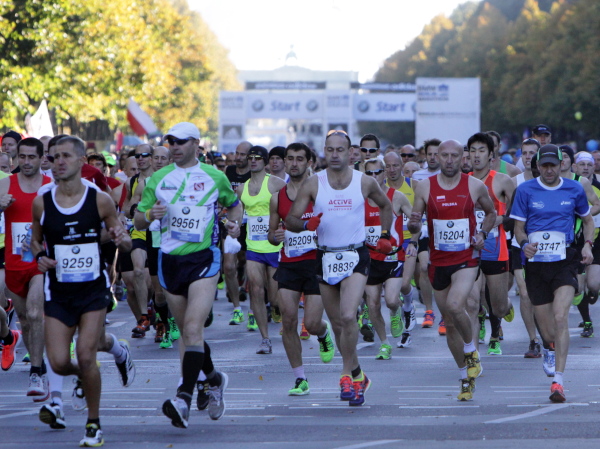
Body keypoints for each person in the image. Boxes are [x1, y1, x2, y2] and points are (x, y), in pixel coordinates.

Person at [135, 122, 240, 428]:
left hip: (204, 260)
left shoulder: (215, 176)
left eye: (181, 142)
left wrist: (234, 225)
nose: (175, 147)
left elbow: (234, 206)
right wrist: (149, 215)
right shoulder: (158, 178)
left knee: (193, 328)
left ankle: (183, 398)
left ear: (196, 143)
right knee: (188, 334)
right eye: (171, 142)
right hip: (170, 262)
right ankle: (214, 380)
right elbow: (139, 221)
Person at [30, 135, 134, 446]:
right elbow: (35, 241)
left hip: (92, 290)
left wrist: (121, 238)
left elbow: (124, 239)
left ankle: (93, 424)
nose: (58, 162)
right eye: (54, 157)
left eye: (65, 156)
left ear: (80, 161)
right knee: (59, 362)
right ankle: (88, 377)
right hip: (59, 291)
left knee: (87, 354)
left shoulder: (99, 199)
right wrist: (40, 256)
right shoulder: (42, 201)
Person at [286, 129, 394, 407]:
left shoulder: (364, 181)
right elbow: (291, 220)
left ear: (350, 153)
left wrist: (384, 235)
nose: (335, 155)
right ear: (324, 151)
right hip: (325, 257)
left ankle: (346, 375)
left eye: (340, 150)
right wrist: (306, 224)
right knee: (337, 324)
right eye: (330, 150)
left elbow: (386, 206)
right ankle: (358, 374)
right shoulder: (313, 183)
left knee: (348, 315)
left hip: (355, 254)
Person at [408, 140, 496, 401]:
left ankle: (471, 351)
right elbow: (414, 226)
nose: (448, 160)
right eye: (443, 155)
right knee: (450, 323)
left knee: (457, 305)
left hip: (466, 257)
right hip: (438, 261)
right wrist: (414, 225)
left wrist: (482, 234)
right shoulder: (425, 187)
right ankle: (465, 377)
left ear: (462, 158)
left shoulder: (474, 186)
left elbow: (491, 213)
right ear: (436, 157)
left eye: (453, 155)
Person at [511, 144, 593, 403]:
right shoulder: (525, 190)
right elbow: (518, 228)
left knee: (560, 317)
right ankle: (548, 346)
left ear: (561, 165)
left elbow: (588, 220)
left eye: (553, 165)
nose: (549, 170)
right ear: (538, 166)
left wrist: (587, 245)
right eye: (544, 165)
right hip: (536, 263)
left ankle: (558, 381)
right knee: (548, 332)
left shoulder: (574, 189)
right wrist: (524, 244)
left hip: (565, 260)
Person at [268, 142, 335, 395]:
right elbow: (271, 236)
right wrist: (276, 236)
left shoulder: (322, 193)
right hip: (289, 264)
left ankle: (323, 333)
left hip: (316, 263)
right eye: (290, 158)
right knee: (288, 320)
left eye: (299, 159)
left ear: (310, 163)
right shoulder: (277, 198)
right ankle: (300, 379)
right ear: (285, 162)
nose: (294, 163)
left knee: (312, 323)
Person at [0, 137, 52, 400]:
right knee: (24, 318)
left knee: (34, 312)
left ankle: (36, 372)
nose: (27, 162)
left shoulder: (50, 186)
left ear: (42, 158)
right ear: (16, 158)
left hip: (39, 261)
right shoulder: (5, 184)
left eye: (32, 157)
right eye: (23, 157)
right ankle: (38, 364)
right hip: (14, 262)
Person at [467, 132, 515, 356]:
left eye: (481, 151)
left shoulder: (502, 180)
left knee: (498, 306)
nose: (476, 155)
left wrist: (501, 219)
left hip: (496, 249)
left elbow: (518, 212)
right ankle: (474, 357)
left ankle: (506, 307)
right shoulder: (463, 181)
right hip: (470, 250)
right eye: (473, 151)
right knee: (472, 302)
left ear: (491, 155)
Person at [363, 158, 416, 357]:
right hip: (370, 259)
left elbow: (415, 221)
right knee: (373, 304)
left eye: (377, 172)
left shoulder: (397, 197)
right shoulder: (360, 198)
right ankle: (385, 344)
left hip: (393, 257)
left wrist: (414, 241)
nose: (374, 176)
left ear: (384, 173)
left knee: (392, 300)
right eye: (369, 173)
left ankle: (395, 312)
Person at [238, 145, 286, 354]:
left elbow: (290, 205)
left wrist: (285, 227)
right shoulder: (241, 188)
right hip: (253, 247)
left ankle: (277, 309)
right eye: (251, 157)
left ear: (265, 162)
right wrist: (232, 226)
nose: (253, 160)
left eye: (258, 157)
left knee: (275, 299)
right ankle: (265, 339)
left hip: (275, 246)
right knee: (256, 291)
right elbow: (238, 215)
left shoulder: (275, 183)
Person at [510, 138, 543, 357]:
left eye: (532, 153)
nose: (529, 156)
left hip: (546, 245)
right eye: (525, 153)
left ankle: (547, 335)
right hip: (519, 244)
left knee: (542, 295)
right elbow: (507, 213)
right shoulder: (515, 181)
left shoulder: (552, 181)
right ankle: (533, 340)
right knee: (524, 293)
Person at [123, 144, 155, 338]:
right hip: (139, 232)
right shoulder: (132, 182)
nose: (140, 159)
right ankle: (143, 317)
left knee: (155, 285)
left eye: (144, 155)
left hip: (159, 233)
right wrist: (132, 211)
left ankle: (157, 312)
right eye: (137, 156)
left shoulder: (164, 179)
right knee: (137, 272)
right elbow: (128, 208)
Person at [223, 141, 251, 326]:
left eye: (242, 154)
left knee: (250, 264)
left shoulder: (255, 174)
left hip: (250, 224)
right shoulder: (228, 171)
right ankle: (237, 309)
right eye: (237, 153)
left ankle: (250, 296)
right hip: (230, 223)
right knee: (228, 266)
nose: (238, 157)